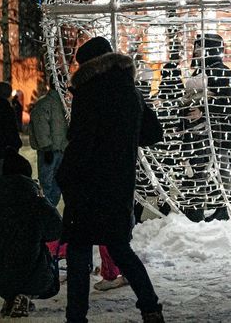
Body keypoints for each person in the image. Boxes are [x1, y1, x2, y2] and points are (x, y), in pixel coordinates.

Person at [57, 36, 165, 323]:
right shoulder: (130, 91)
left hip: (88, 184)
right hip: (119, 185)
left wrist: (65, 175)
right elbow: (153, 133)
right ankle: (150, 307)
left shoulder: (89, 92)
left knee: (79, 254)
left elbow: (81, 142)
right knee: (120, 248)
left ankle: (76, 317)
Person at [0, 152, 62, 317]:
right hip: (31, 274)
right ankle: (25, 295)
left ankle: (11, 298)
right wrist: (43, 200)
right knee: (43, 257)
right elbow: (56, 229)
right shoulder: (35, 202)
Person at [193, 33, 231, 201]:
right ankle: (214, 200)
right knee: (206, 165)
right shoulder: (199, 70)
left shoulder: (221, 71)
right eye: (196, 46)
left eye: (201, 46)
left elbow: (228, 102)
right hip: (200, 129)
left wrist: (204, 110)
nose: (197, 50)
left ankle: (224, 203)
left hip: (219, 128)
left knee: (222, 163)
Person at [176, 98, 229, 223]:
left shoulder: (206, 102)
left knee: (201, 178)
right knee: (201, 178)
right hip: (201, 146)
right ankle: (202, 211)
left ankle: (198, 213)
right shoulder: (196, 102)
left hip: (202, 147)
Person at [29, 83, 69, 206]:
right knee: (48, 183)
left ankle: (50, 210)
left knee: (56, 183)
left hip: (58, 150)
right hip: (51, 150)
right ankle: (46, 211)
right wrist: (46, 147)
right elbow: (40, 126)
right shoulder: (47, 103)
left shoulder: (60, 104)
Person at [0, 80, 23, 181]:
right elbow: (12, 130)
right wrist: (16, 144)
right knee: (7, 178)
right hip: (7, 150)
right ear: (8, 93)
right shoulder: (8, 109)